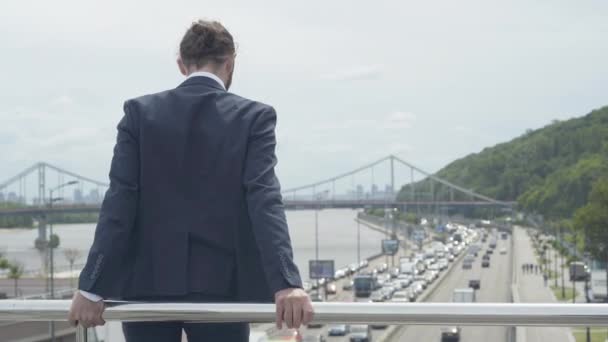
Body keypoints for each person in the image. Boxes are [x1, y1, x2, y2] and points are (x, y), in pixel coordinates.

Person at [68, 19, 313, 341]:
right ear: (230, 63)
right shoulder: (253, 117)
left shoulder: (139, 113)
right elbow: (264, 200)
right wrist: (287, 282)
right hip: (221, 287)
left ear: (182, 64)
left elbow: (120, 202)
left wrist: (91, 286)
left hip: (146, 286)